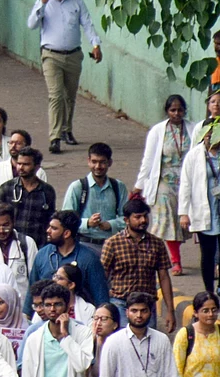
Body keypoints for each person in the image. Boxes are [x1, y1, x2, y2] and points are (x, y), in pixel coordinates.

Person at [26, 0, 103, 154]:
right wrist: (43, 3)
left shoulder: (76, 2)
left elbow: (87, 24)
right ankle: (55, 137)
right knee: (56, 95)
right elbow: (31, 24)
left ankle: (67, 130)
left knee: (70, 95)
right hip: (51, 55)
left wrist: (96, 44)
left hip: (74, 55)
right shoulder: (43, 2)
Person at [101, 200, 175, 332]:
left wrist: (170, 310)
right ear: (126, 220)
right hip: (121, 304)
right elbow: (102, 275)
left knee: (148, 345)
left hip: (148, 304)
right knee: (125, 344)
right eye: (137, 217)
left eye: (145, 216)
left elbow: (164, 277)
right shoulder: (112, 243)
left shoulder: (157, 244)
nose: (143, 220)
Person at [136, 95, 190, 275]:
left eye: (180, 110)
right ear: (167, 111)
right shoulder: (158, 131)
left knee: (184, 221)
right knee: (167, 221)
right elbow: (148, 160)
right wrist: (139, 185)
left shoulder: (192, 129)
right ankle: (175, 261)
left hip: (187, 181)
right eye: (172, 110)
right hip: (164, 182)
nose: (176, 113)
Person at [28, 210, 109, 314]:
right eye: (49, 226)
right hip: (45, 317)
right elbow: (32, 290)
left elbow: (100, 296)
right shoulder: (42, 254)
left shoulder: (89, 259)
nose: (48, 230)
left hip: (80, 317)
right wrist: (28, 315)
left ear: (66, 233)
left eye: (54, 228)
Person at [62, 143, 129, 255]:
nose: (98, 166)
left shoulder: (118, 187)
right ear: (88, 161)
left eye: (102, 162)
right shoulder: (77, 187)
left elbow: (127, 218)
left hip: (112, 246)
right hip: (83, 245)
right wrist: (87, 223)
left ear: (110, 162)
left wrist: (111, 224)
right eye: (94, 162)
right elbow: (65, 220)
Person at [179, 131, 220, 293]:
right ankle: (209, 291)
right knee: (208, 253)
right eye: (208, 135)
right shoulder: (194, 155)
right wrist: (184, 212)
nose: (211, 138)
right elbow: (185, 184)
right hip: (204, 209)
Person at [0, 147, 58, 247]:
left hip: (38, 244)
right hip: (11, 244)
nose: (21, 167)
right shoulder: (7, 188)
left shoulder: (47, 191)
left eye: (26, 164)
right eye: (19, 163)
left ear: (37, 167)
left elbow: (49, 220)